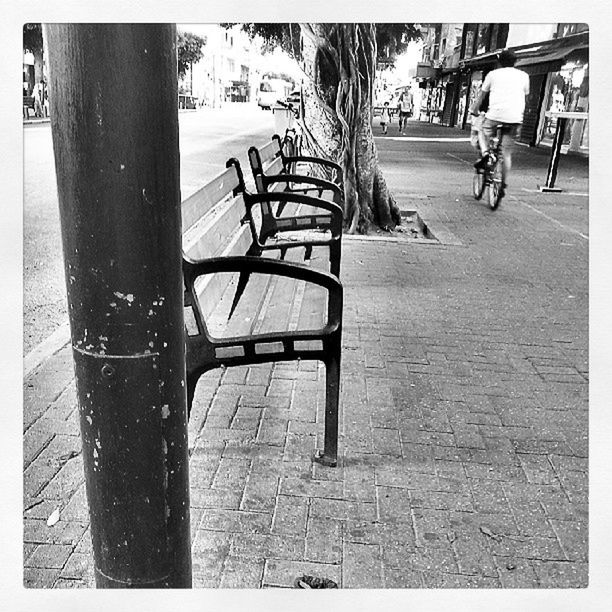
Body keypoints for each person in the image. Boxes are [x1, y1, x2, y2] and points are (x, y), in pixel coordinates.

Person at [471, 49, 530, 198]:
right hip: (515, 118)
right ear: (515, 61)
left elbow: (482, 96)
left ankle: (485, 154)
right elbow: (525, 96)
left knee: (482, 132)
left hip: (495, 116)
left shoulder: (492, 75)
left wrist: (475, 110)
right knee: (506, 153)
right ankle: (502, 183)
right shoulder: (524, 76)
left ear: (499, 61)